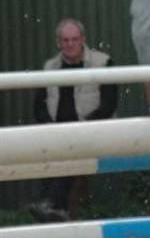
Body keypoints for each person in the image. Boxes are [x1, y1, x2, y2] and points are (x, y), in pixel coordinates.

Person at [28, 19, 117, 223]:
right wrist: (49, 126)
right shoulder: (49, 67)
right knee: (48, 150)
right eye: (65, 40)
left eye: (74, 39)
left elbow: (109, 105)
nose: (70, 44)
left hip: (92, 131)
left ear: (83, 40)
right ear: (58, 42)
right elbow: (38, 106)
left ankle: (51, 205)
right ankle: (53, 210)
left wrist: (83, 126)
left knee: (71, 150)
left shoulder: (103, 62)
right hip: (57, 133)